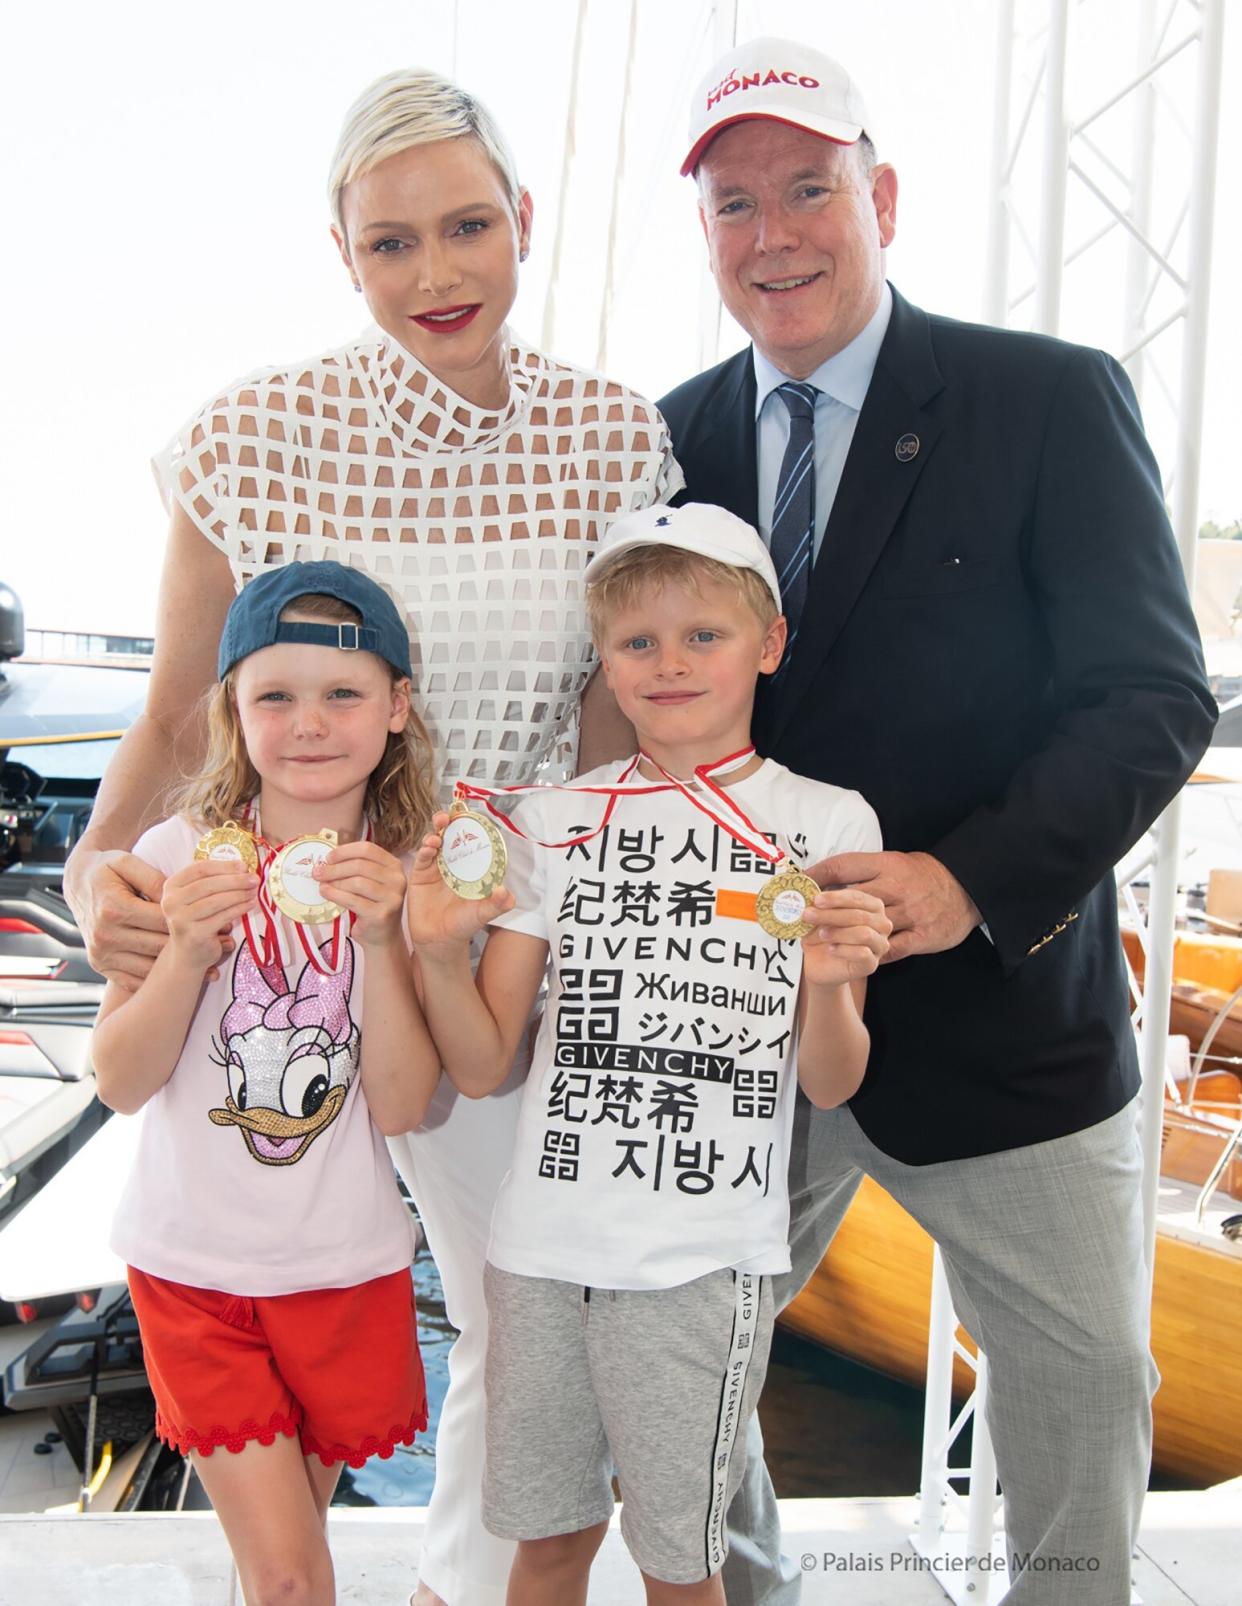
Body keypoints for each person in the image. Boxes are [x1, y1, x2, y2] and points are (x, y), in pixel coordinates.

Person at [62, 69, 681, 1606]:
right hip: (276, 929)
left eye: (469, 226)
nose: (437, 273)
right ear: (340, 250)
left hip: (492, 950)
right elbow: (168, 719)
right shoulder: (248, 434)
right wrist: (93, 867)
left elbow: (612, 738)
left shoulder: (613, 438)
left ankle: (452, 1590)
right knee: (251, 1290)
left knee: (528, 1316)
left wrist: (551, 939)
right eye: (391, 242)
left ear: (523, 221)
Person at [656, 35, 1218, 1606]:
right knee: (685, 1361)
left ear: (880, 196)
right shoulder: (666, 435)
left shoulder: (1047, 399)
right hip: (740, 1020)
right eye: (735, 206)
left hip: (1001, 1016)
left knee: (1084, 1385)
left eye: (809, 190)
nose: (775, 234)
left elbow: (1149, 696)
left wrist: (965, 883)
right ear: (702, 239)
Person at [405, 501, 890, 1606]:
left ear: (767, 645)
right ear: (606, 667)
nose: (669, 664)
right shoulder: (551, 818)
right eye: (637, 643)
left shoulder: (829, 823)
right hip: (538, 1256)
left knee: (680, 1564)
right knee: (547, 1546)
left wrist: (822, 988)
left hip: (699, 1263)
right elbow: (482, 1066)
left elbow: (832, 1079)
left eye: (703, 636)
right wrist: (436, 954)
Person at [93, 562, 441, 1606]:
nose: (309, 723)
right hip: (194, 1268)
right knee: (294, 1576)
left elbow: (405, 1103)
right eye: (274, 696)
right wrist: (189, 955)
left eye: (341, 693)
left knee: (280, 1566)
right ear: (232, 713)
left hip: (344, 1267)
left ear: (397, 709)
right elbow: (118, 1080)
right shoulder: (175, 855)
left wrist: (386, 940)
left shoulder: (409, 874)